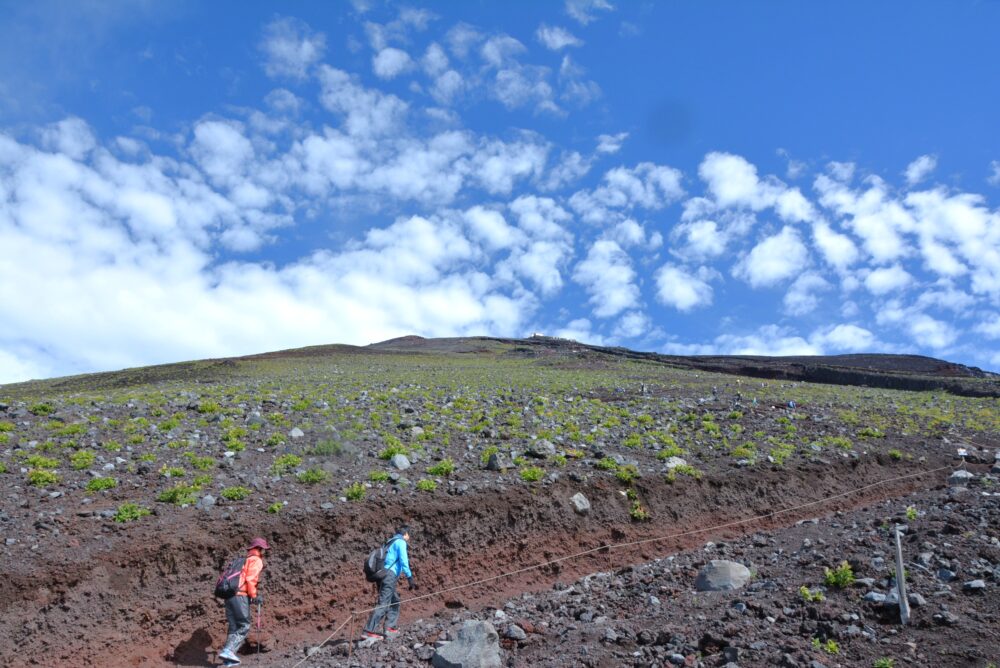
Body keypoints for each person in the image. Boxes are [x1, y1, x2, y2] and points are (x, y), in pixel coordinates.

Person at [219, 537, 269, 665]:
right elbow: (251, 578)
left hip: (229, 596)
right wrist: (254, 595)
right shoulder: (256, 560)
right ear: (260, 549)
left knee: (233, 626)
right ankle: (229, 651)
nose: (265, 552)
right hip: (240, 595)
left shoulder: (242, 560)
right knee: (244, 625)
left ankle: (228, 658)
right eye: (264, 550)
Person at [363, 525, 415, 639]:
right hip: (389, 576)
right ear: (405, 534)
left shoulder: (389, 542)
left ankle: (389, 627)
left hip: (382, 575)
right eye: (408, 534)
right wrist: (410, 577)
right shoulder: (401, 542)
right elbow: (403, 560)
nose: (409, 537)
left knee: (394, 600)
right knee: (384, 603)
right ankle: (368, 631)